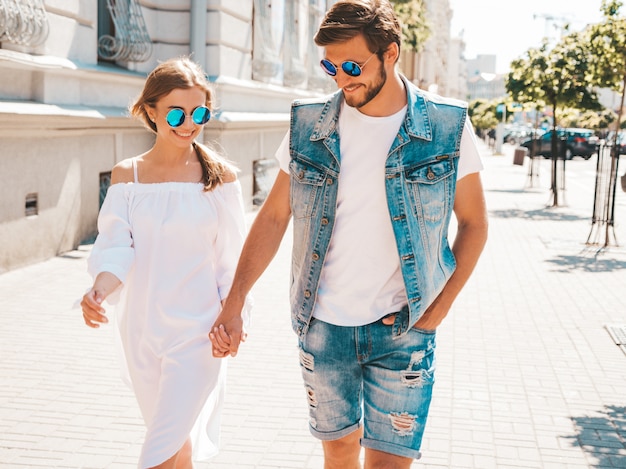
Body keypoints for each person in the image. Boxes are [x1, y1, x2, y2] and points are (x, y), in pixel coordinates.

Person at [211, 0, 488, 467]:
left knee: (387, 464)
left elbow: (475, 223)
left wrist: (436, 311)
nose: (341, 78)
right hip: (324, 326)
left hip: (405, 326)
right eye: (330, 67)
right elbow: (275, 216)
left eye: (353, 65)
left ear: (390, 54)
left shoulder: (446, 126)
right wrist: (234, 300)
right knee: (338, 455)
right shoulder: (310, 126)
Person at [80, 57, 249, 469]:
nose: (189, 123)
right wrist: (99, 290)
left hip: (198, 335)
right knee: (176, 448)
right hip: (143, 333)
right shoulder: (127, 177)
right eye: (176, 112)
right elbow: (116, 246)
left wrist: (234, 319)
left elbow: (232, 263)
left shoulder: (221, 178)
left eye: (199, 113)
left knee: (157, 455)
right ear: (151, 110)